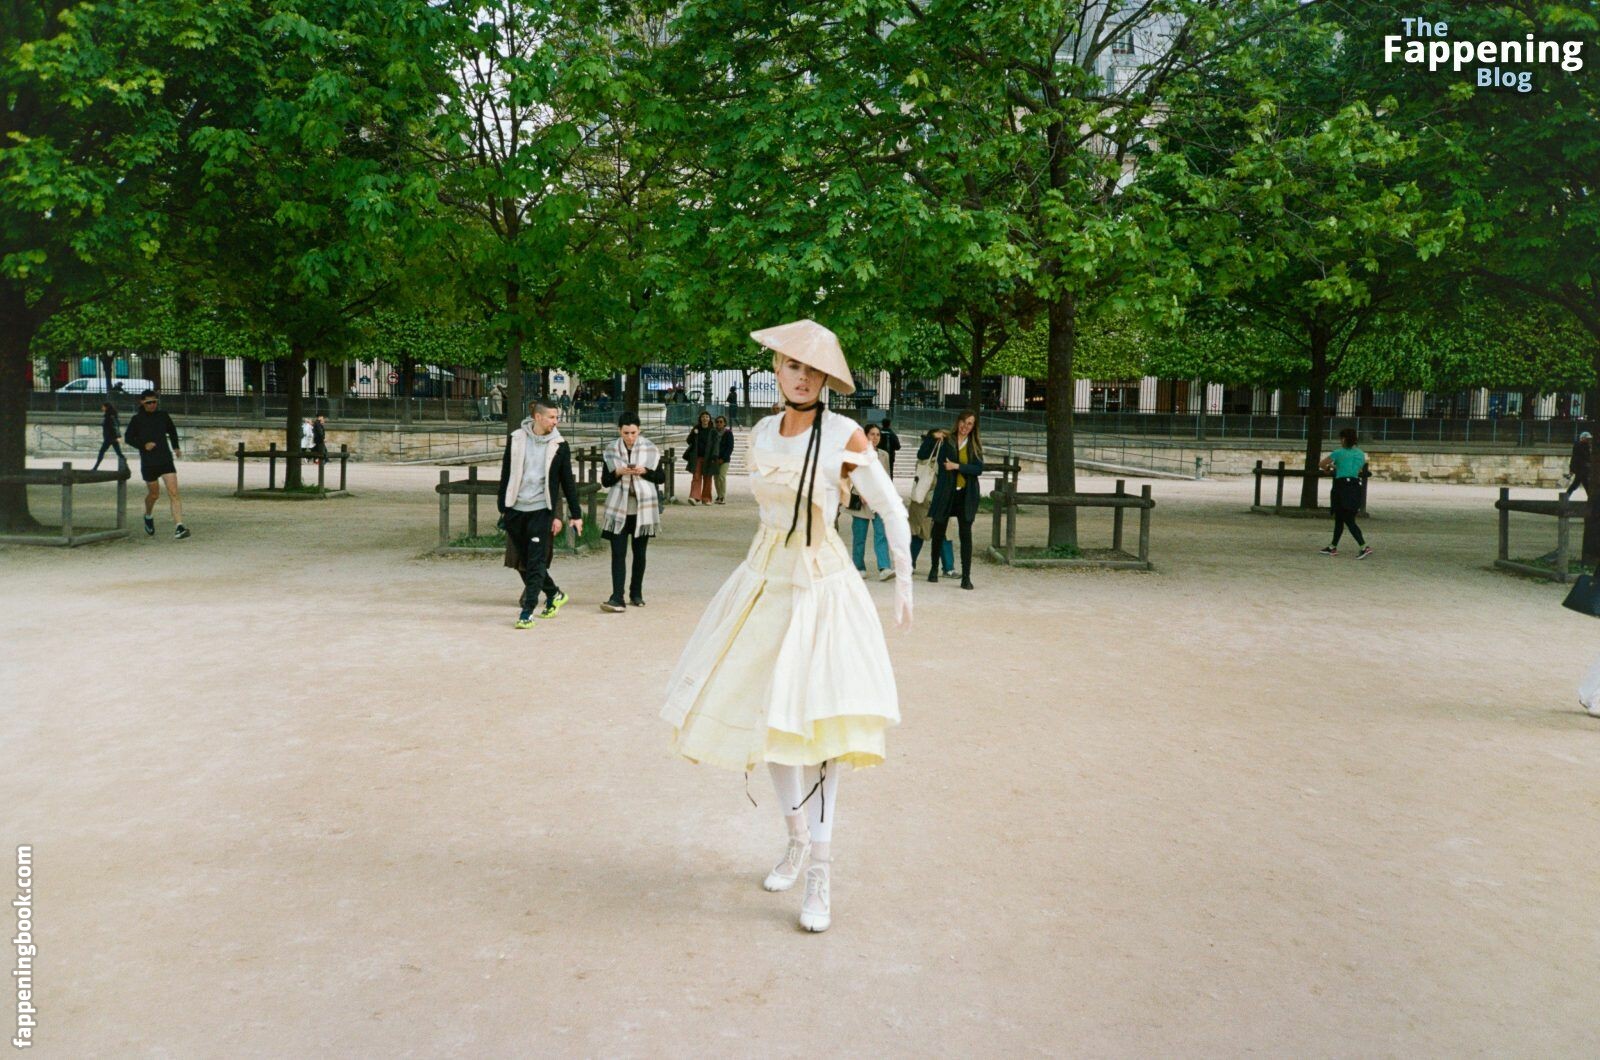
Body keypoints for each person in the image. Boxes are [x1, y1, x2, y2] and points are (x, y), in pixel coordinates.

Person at [661, 318, 912, 933]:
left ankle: (821, 870)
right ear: (776, 367)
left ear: (826, 378)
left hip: (821, 588)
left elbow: (891, 507)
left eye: (813, 369)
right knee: (772, 727)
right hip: (764, 582)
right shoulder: (761, 432)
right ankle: (796, 839)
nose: (802, 377)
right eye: (793, 365)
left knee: (818, 735)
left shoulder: (845, 433)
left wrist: (904, 580)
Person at [497, 400, 584, 628]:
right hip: (515, 510)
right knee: (526, 561)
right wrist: (503, 508)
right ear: (537, 417)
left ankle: (527, 612)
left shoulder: (560, 445)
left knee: (535, 562)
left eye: (557, 417)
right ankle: (554, 593)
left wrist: (575, 514)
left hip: (541, 511)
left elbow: (567, 482)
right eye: (552, 417)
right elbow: (506, 473)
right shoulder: (516, 438)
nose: (556, 422)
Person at [599, 413, 665, 611]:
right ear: (619, 430)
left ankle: (636, 593)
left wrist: (645, 471)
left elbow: (660, 477)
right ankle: (617, 596)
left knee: (639, 554)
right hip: (618, 508)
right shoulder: (611, 450)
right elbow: (605, 481)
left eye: (633, 433)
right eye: (626, 433)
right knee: (618, 554)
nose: (630, 437)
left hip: (642, 509)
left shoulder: (651, 449)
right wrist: (618, 472)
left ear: (639, 430)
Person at [922, 411, 985, 589]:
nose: (965, 426)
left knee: (966, 535)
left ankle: (966, 577)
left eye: (970, 423)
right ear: (958, 422)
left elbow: (978, 469)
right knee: (938, 531)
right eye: (963, 422)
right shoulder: (946, 440)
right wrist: (931, 437)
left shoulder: (974, 445)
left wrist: (956, 466)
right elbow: (922, 454)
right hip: (946, 492)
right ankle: (934, 569)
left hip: (966, 495)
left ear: (973, 427)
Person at [124, 391, 189, 540]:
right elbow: (128, 438)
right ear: (142, 403)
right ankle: (148, 515)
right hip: (149, 462)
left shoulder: (163, 416)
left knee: (174, 493)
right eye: (149, 402)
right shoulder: (137, 419)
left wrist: (176, 447)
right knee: (154, 495)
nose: (152, 405)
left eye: (154, 402)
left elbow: (172, 430)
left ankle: (179, 526)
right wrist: (143, 445)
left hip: (165, 459)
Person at [846, 423, 895, 580]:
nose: (875, 437)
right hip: (862, 501)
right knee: (859, 536)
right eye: (872, 434)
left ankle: (884, 567)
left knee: (881, 534)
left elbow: (886, 478)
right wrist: (861, 492)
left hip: (878, 500)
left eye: (878, 434)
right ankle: (859, 567)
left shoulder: (884, 455)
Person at [1319, 427, 1373, 558]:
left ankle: (1364, 546)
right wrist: (1338, 466)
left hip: (1341, 487)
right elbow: (1355, 470)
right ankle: (1332, 546)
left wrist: (1329, 468)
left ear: (1343, 439)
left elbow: (1322, 464)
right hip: (1355, 486)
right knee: (1341, 517)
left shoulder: (1338, 453)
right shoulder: (1360, 454)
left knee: (1347, 519)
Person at [685, 410, 717, 505]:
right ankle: (694, 497)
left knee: (708, 478)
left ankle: (706, 499)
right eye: (703, 416)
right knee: (696, 477)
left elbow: (716, 444)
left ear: (709, 419)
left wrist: (714, 456)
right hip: (697, 457)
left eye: (707, 417)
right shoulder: (696, 429)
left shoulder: (713, 431)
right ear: (700, 419)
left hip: (709, 458)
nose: (705, 418)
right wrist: (693, 433)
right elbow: (688, 441)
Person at [92, 401, 124, 471]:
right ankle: (125, 466)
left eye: (103, 407)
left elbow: (115, 426)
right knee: (119, 453)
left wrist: (118, 436)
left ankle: (95, 467)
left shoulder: (110, 416)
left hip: (110, 438)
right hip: (111, 437)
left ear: (106, 407)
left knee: (102, 451)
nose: (102, 408)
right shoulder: (109, 416)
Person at [1562, 431, 1592, 502]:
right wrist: (1572, 469)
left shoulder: (1586, 446)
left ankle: (1566, 496)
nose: (1589, 440)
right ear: (1583, 438)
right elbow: (1575, 458)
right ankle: (1591, 498)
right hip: (1581, 469)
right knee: (1585, 484)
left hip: (1583, 469)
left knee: (1577, 484)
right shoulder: (1579, 446)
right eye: (1587, 439)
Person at [713, 415, 735, 504]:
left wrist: (723, 458)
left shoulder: (728, 433)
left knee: (721, 477)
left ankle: (722, 497)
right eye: (717, 422)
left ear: (724, 423)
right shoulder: (713, 432)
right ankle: (718, 495)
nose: (719, 423)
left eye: (721, 422)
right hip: (715, 458)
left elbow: (730, 447)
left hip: (724, 460)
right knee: (716, 478)